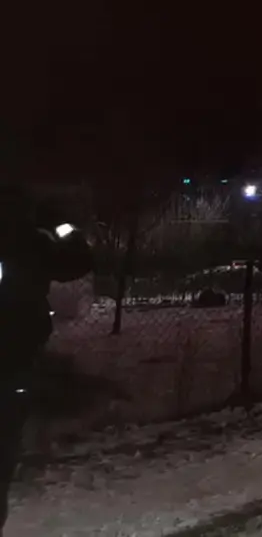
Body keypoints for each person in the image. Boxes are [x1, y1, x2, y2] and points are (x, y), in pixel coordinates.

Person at [0, 189, 92, 532]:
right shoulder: (32, 243)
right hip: (12, 364)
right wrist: (62, 224)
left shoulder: (30, 244)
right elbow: (79, 261)